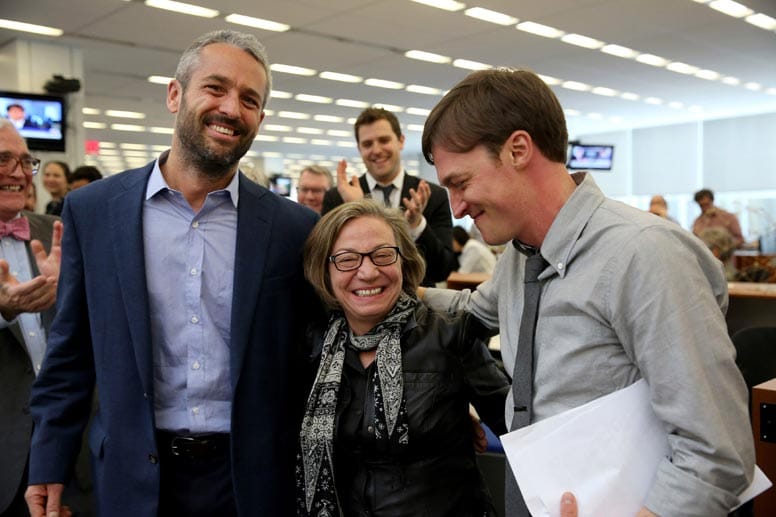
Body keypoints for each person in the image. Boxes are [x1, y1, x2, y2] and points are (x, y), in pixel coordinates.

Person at [419, 68, 754, 517]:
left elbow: (717, 454)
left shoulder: (644, 255)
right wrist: (386, 289)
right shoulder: (522, 256)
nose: (456, 208)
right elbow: (471, 310)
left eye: (461, 183)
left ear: (518, 149)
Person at [25, 29, 320, 517]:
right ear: (175, 94)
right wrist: (48, 461)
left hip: (252, 480)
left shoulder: (294, 228)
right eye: (216, 87)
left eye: (250, 100)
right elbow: (71, 353)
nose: (231, 108)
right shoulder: (95, 212)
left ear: (260, 119)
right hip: (133, 474)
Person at [298, 199, 509, 516]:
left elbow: (520, 428)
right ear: (324, 272)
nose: (367, 272)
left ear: (404, 263)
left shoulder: (451, 337)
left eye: (383, 255)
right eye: (347, 259)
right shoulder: (313, 347)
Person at [0, 119, 63, 516]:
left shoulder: (56, 232)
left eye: (26, 161)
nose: (19, 173)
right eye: (3, 159)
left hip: (61, 450)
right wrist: (4, 310)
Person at [322, 107, 457, 286]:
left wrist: (417, 226)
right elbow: (325, 265)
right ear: (359, 148)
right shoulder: (338, 197)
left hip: (417, 306)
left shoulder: (432, 195)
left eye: (384, 140)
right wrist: (357, 209)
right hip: (358, 303)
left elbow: (442, 270)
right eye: (367, 144)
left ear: (401, 141)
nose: (376, 150)